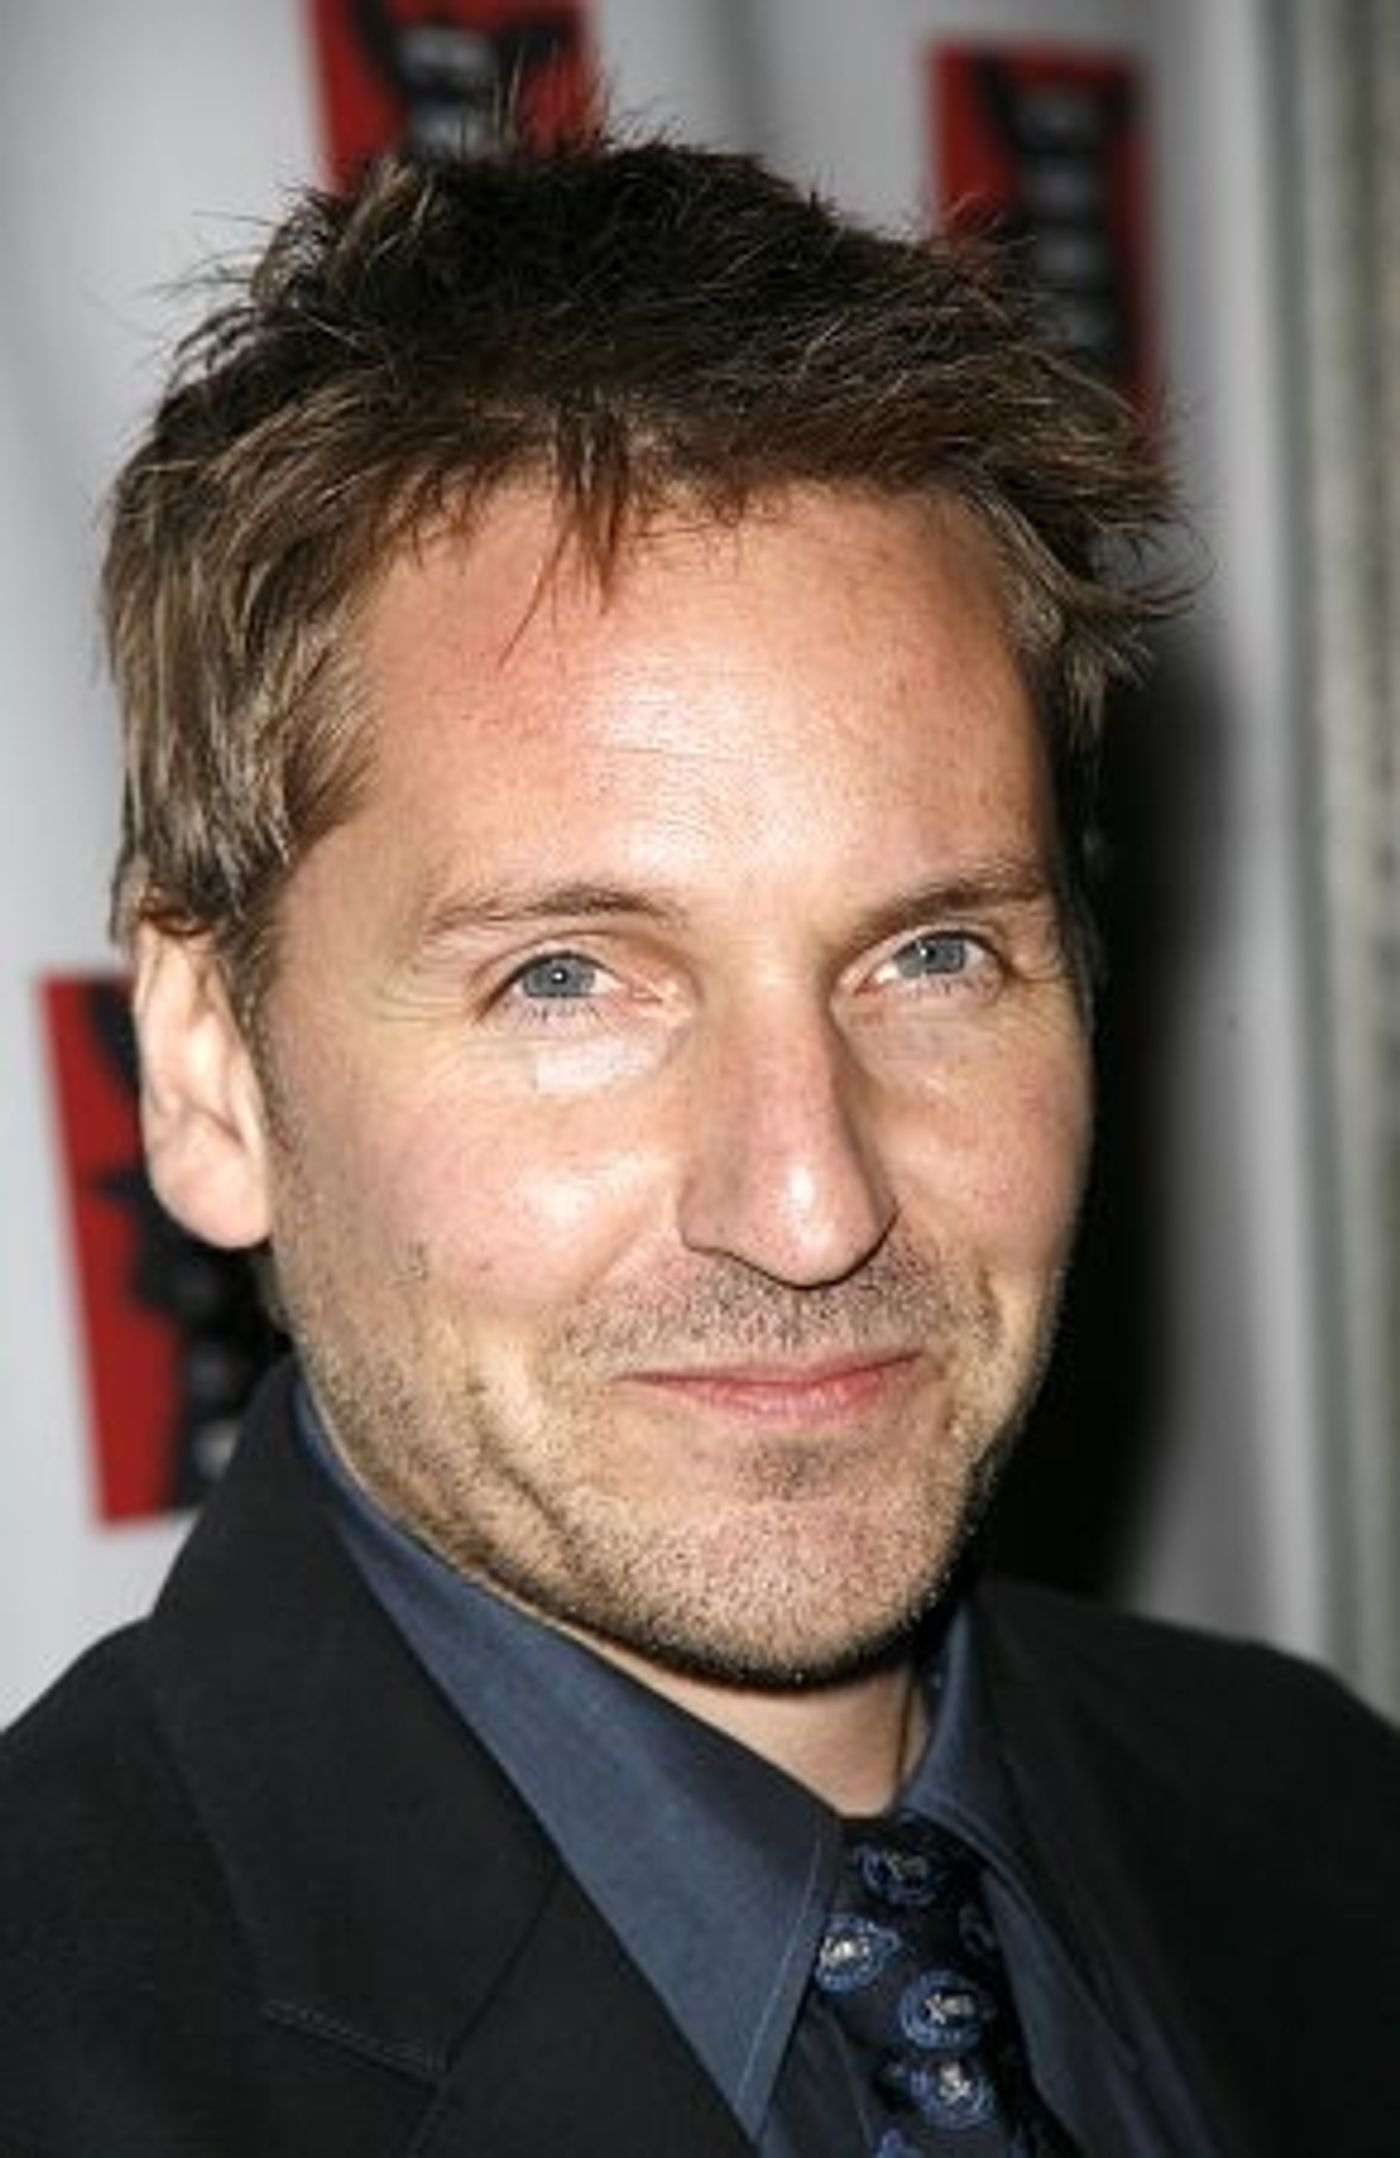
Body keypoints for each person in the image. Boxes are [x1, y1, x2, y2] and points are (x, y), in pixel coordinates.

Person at [1, 134, 1396, 2158]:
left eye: (931, 953)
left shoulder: (1319, 1813)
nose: (811, 1202)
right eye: (570, 978)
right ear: (212, 1070)